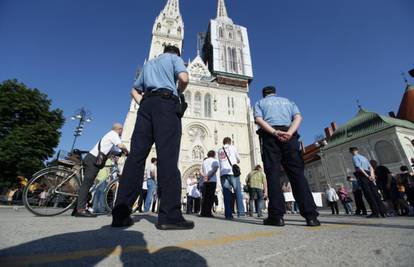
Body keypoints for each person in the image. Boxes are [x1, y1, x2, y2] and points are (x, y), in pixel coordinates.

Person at [111, 45, 193, 230]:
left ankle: (120, 215)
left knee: (135, 159)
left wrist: (144, 102)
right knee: (168, 159)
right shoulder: (174, 59)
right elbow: (184, 78)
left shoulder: (149, 65)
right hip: (166, 105)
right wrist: (179, 92)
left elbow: (134, 90)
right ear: (176, 53)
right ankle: (169, 216)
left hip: (146, 107)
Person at [254, 86, 320, 227]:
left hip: (270, 137)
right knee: (297, 175)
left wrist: (274, 132)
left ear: (264, 94)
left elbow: (259, 120)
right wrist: (289, 133)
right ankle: (311, 217)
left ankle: (276, 217)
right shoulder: (288, 101)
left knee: (273, 175)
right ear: (275, 93)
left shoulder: (260, 103)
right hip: (290, 137)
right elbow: (298, 117)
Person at [73, 123, 129, 217]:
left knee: (87, 184)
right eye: (121, 130)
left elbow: (110, 151)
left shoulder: (109, 135)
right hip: (93, 160)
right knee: (86, 185)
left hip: (91, 158)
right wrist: (127, 151)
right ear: (119, 129)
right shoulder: (113, 134)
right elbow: (121, 145)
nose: (121, 132)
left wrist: (119, 154)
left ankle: (77, 208)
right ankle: (81, 210)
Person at [350, 147, 386, 218]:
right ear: (357, 150)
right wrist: (371, 175)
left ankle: (375, 212)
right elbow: (371, 167)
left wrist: (367, 176)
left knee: (368, 194)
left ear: (351, 152)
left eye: (352, 151)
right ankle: (383, 212)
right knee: (375, 193)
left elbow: (359, 168)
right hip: (369, 174)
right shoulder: (363, 157)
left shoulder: (354, 157)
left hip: (363, 176)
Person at [217, 137, 246, 219]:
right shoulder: (233, 147)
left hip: (223, 173)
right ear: (230, 142)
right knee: (237, 192)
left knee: (226, 194)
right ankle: (241, 212)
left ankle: (228, 214)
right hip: (232, 172)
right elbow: (238, 159)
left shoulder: (219, 150)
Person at [200, 151, 219, 217]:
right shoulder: (215, 161)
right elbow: (215, 169)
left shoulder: (204, 162)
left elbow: (201, 171)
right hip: (212, 180)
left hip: (205, 181)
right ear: (214, 155)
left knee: (205, 197)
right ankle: (208, 212)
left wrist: (205, 176)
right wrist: (209, 176)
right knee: (210, 197)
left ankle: (203, 212)